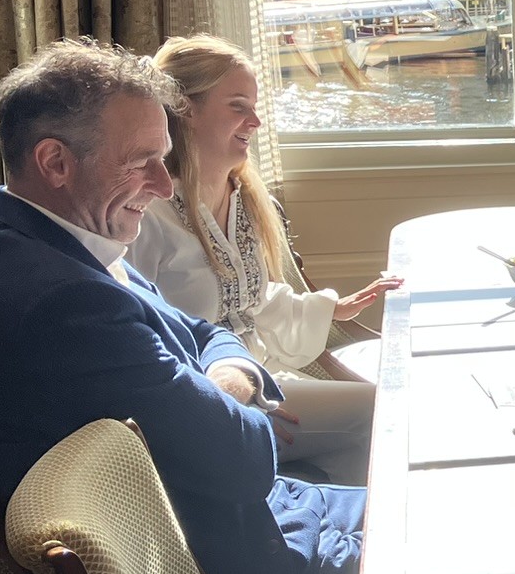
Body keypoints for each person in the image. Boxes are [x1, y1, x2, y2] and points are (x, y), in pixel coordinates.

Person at [0, 39, 363, 574]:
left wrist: (226, 378)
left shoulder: (54, 242)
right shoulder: (58, 301)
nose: (164, 186)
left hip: (271, 524)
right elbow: (243, 461)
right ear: (55, 161)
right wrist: (233, 388)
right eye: (143, 162)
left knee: (451, 502)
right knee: (479, 548)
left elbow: (207, 335)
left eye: (164, 159)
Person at [130, 34, 400, 484]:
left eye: (254, 107)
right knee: (380, 414)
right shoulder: (149, 215)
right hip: (207, 400)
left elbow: (250, 300)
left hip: (261, 378)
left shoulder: (246, 199)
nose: (254, 122)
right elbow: (142, 335)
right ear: (184, 109)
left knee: (379, 417)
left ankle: (305, 505)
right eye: (238, 106)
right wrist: (232, 407)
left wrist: (329, 308)